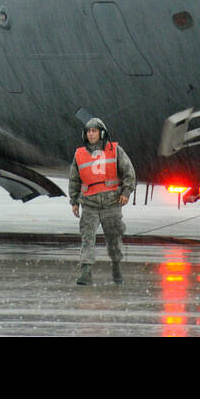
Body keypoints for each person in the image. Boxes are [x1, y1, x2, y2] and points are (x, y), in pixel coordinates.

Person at [68, 117, 136, 285]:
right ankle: (86, 271)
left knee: (113, 237)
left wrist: (126, 192)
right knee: (87, 237)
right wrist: (74, 201)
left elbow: (129, 172)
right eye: (88, 131)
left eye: (94, 131)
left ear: (102, 133)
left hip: (111, 203)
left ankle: (116, 266)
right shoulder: (80, 154)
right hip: (90, 204)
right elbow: (74, 179)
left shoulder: (115, 150)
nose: (91, 134)